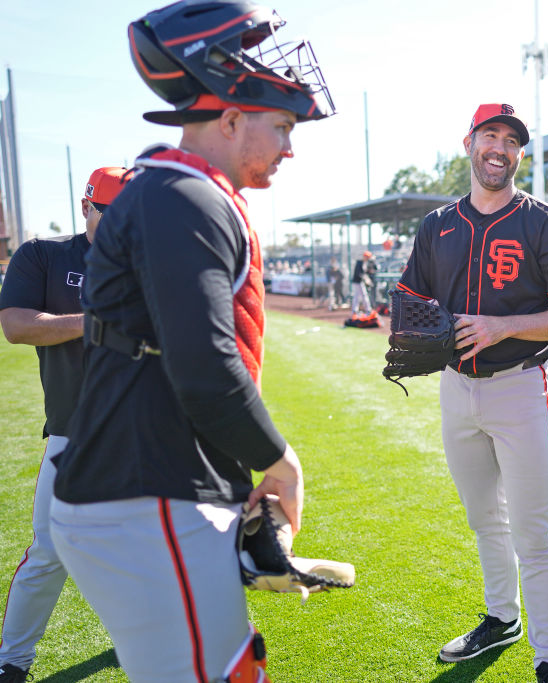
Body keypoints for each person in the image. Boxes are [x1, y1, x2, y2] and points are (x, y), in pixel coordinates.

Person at [46, 3, 334, 681]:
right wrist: (279, 462)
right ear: (230, 119)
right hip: (141, 498)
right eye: (282, 127)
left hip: (147, 487)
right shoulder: (185, 197)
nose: (290, 148)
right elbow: (204, 367)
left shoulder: (179, 191)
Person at [395, 103, 548, 683]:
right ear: (469, 143)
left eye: (510, 139)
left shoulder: (544, 222)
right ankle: (502, 618)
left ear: (520, 154)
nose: (498, 147)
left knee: (534, 532)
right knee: (486, 520)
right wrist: (417, 327)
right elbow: (408, 298)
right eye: (489, 135)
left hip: (521, 386)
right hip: (457, 388)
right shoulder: (437, 225)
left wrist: (502, 326)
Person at [0, 166, 132, 683]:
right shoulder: (46, 255)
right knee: (51, 552)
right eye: (111, 214)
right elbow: (15, 325)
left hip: (145, 432)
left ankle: (140, 632)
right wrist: (96, 322)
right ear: (87, 206)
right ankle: (13, 660)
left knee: (145, 545)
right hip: (74, 429)